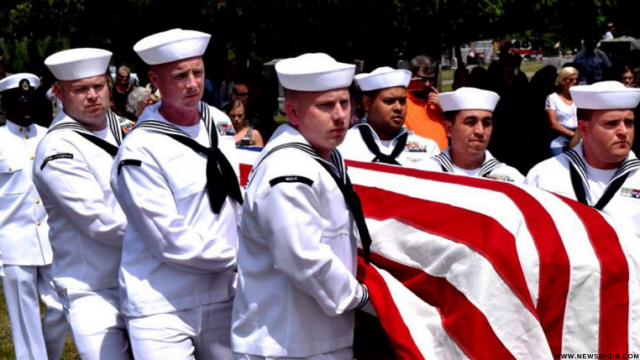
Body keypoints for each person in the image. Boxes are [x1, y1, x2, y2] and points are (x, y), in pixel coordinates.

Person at [231, 53, 376, 359]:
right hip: (286, 342)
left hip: (316, 336)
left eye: (345, 103)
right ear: (293, 113)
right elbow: (304, 258)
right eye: (326, 106)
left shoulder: (324, 155)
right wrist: (366, 299)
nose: (340, 115)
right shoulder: (288, 170)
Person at [111, 28, 242, 359]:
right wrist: (246, 256)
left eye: (198, 72)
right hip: (161, 302)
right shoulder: (140, 149)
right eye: (180, 76)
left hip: (223, 293)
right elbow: (168, 239)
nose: (193, 84)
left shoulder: (220, 122)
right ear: (155, 78)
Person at [34, 48, 132, 359]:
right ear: (60, 94)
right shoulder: (57, 147)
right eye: (80, 89)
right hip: (92, 290)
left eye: (98, 86)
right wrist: (176, 239)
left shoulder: (128, 129)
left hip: (144, 276)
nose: (92, 96)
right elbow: (99, 222)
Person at [0, 73, 69, 360]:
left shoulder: (49, 136)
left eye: (29, 100)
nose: (25, 106)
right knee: (24, 317)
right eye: (18, 101)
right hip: (13, 242)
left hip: (52, 240)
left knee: (61, 307)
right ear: (4, 104)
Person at [525, 81, 640, 239]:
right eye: (612, 123)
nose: (623, 131)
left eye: (629, 123)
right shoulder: (544, 175)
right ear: (584, 128)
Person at [339, 66, 439, 167]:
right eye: (389, 101)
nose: (398, 108)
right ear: (367, 103)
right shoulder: (343, 146)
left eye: (402, 101)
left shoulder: (428, 149)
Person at [422, 87, 525, 183]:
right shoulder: (425, 174)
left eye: (486, 123)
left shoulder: (511, 179)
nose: (480, 131)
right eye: (470, 122)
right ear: (449, 128)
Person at [404, 55, 448, 150]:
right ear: (412, 76)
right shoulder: (402, 102)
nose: (428, 84)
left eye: (431, 79)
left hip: (443, 159)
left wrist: (444, 109)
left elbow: (454, 130)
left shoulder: (437, 100)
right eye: (423, 79)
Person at [545, 66, 579, 156]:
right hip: (560, 137)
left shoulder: (578, 97)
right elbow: (553, 124)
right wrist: (573, 135)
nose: (574, 82)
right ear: (562, 81)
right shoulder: (552, 98)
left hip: (578, 136)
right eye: (571, 80)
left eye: (576, 80)